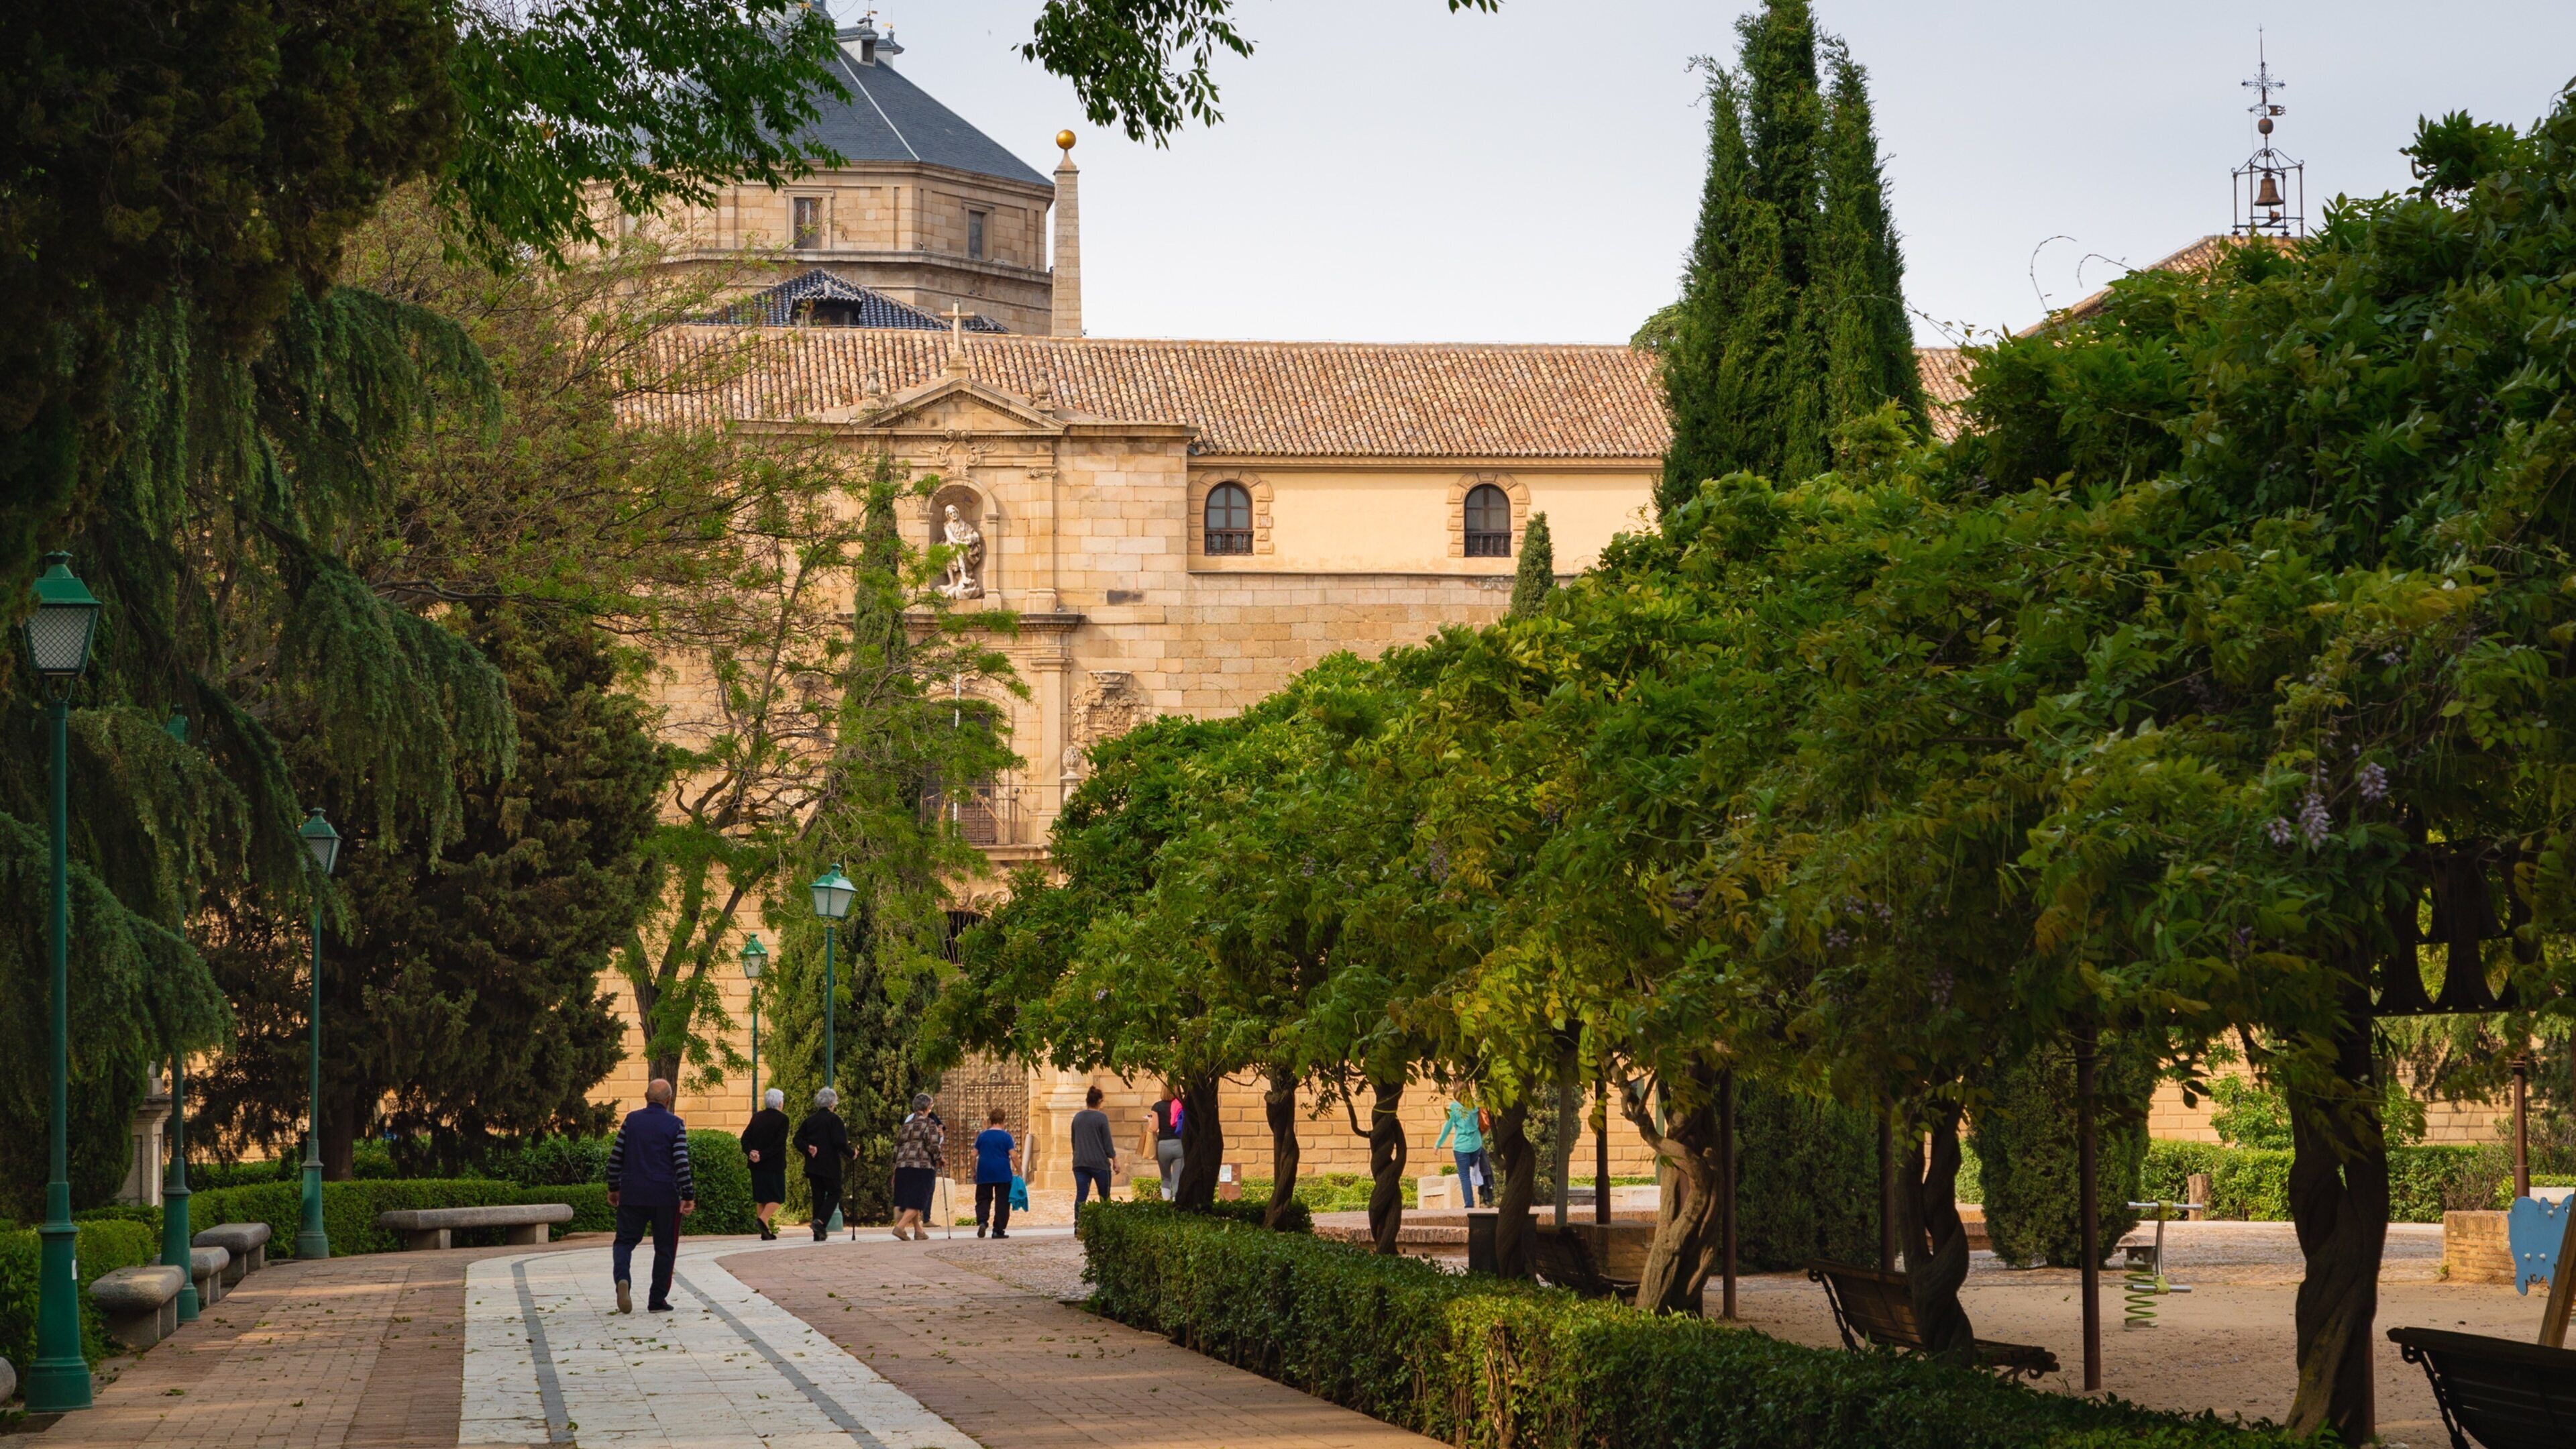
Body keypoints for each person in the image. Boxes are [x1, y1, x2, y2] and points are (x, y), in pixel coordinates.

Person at [606, 1078, 696, 1314]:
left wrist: (614, 1187)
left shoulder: (632, 1120)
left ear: (646, 1097)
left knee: (624, 1242)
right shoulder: (676, 1124)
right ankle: (657, 1300)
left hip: (632, 1192)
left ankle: (623, 1279)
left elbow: (616, 1157)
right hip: (665, 1196)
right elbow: (681, 1162)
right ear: (669, 1100)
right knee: (665, 1248)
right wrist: (687, 1194)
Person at [793, 1087, 853, 1242]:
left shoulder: (810, 1121)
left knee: (818, 1197)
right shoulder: (835, 1120)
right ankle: (820, 1223)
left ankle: (817, 1234)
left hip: (813, 1165)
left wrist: (808, 1147)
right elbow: (839, 1142)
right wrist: (852, 1153)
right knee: (835, 1192)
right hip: (830, 1164)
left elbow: (797, 1139)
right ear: (832, 1103)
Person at [890, 1093, 943, 1242]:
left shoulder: (906, 1125)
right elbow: (933, 1145)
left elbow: (897, 1146)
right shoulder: (929, 1123)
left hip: (902, 1165)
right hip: (921, 1166)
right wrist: (940, 1158)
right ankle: (900, 1227)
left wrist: (895, 1166)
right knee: (919, 1199)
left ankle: (919, 1231)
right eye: (931, 1106)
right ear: (927, 1107)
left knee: (911, 1199)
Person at [740, 1088, 790, 1240]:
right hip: (774, 1164)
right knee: (778, 1197)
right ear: (780, 1103)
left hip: (756, 1165)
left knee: (762, 1198)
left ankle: (766, 1232)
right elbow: (779, 1143)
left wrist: (751, 1152)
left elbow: (745, 1139)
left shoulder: (757, 1117)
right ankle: (763, 1220)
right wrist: (763, 1155)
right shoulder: (783, 1119)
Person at [972, 1108, 1020, 1238]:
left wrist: (973, 1170)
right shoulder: (1006, 1137)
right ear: (1003, 1121)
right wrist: (1019, 1170)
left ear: (991, 1120)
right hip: (1002, 1172)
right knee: (1003, 1202)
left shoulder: (982, 1136)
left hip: (984, 1171)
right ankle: (998, 1230)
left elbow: (973, 1154)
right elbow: (1013, 1155)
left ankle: (982, 1221)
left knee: (983, 1199)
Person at [1436, 1096, 1493, 1208]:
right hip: (1476, 1146)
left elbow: (1447, 1128)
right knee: (1475, 1165)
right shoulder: (1476, 1105)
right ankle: (1483, 1187)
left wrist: (1438, 1144)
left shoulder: (1454, 1107)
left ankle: (1469, 1204)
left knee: (1464, 1175)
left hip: (1461, 1147)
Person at [1069, 1085, 1117, 1216]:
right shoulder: (1102, 1118)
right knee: (1104, 1196)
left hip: (1080, 1163)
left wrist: (1077, 1155)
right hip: (1099, 1163)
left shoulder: (1077, 1117)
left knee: (1081, 1195)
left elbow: (1074, 1141)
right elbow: (1107, 1143)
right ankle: (1106, 1223)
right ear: (1100, 1101)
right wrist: (1115, 1160)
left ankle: (1078, 1224)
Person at [1146, 1087, 1184, 1201]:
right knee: (1178, 1178)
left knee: (1166, 1177)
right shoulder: (1181, 1104)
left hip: (1163, 1145)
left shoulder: (1157, 1106)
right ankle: (1176, 1202)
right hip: (1179, 1144)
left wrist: (1149, 1121)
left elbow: (1154, 1128)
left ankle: (1166, 1202)